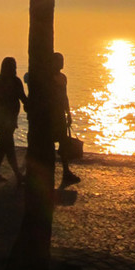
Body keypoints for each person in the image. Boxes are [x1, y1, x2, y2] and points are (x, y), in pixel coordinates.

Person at [0, 57, 26, 185]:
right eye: (12, 67)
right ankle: (17, 174)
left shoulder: (16, 81)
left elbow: (23, 98)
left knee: (3, 146)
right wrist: (6, 95)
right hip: (2, 119)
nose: (14, 69)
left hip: (11, 119)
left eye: (15, 67)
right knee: (8, 145)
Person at [52, 51, 80, 188]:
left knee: (63, 142)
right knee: (52, 142)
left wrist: (68, 113)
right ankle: (62, 171)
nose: (62, 63)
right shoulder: (49, 78)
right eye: (59, 61)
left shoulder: (63, 77)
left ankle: (66, 171)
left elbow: (65, 97)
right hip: (52, 114)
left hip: (60, 114)